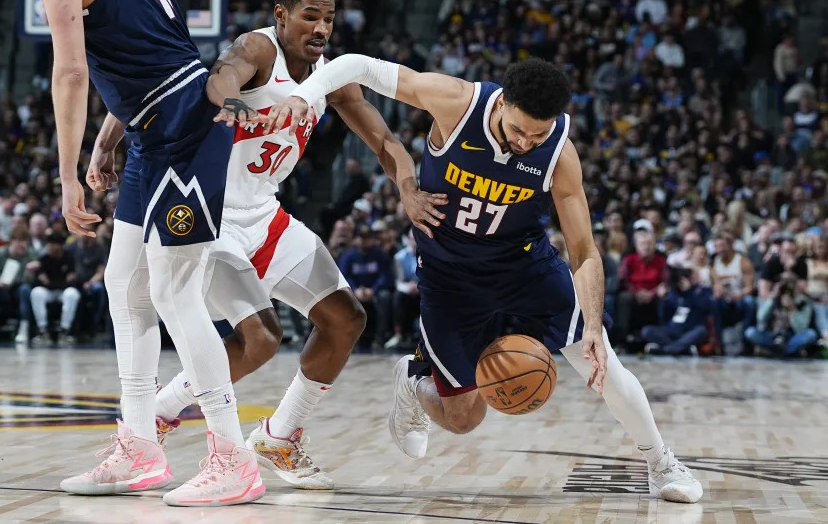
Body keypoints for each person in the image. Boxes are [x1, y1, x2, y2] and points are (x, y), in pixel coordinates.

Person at [265, 55, 703, 503]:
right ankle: (414, 383)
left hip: (525, 268)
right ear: (502, 105)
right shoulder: (456, 102)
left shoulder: (558, 152)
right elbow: (357, 65)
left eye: (539, 133)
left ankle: (661, 462)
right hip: (450, 278)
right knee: (462, 419)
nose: (527, 142)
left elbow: (585, 250)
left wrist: (593, 324)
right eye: (518, 130)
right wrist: (304, 95)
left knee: (602, 364)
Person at [90, 0, 443, 489]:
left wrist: (407, 186)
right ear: (281, 15)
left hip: (265, 215)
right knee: (260, 338)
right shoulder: (259, 48)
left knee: (345, 320)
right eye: (309, 16)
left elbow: (385, 141)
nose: (321, 28)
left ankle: (281, 433)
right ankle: (161, 414)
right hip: (211, 217)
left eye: (328, 17)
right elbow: (219, 81)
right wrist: (242, 112)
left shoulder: (330, 74)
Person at [0, 0, 261, 505]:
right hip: (151, 128)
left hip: (184, 126)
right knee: (125, 282)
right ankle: (140, 446)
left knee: (175, 296)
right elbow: (143, 48)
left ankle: (234, 456)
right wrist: (110, 140)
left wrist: (65, 176)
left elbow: (71, 72)